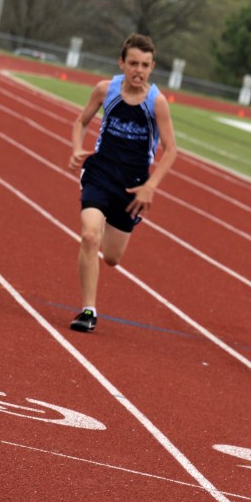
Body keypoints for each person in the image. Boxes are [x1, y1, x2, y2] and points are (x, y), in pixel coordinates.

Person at [67, 33, 177, 332]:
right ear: (121, 63)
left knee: (113, 257)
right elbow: (81, 121)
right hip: (100, 173)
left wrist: (150, 186)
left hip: (132, 187)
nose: (138, 70)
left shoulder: (157, 103)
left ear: (152, 67)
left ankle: (109, 231)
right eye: (133, 64)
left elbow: (171, 149)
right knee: (90, 236)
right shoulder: (106, 90)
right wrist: (77, 148)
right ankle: (88, 311)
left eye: (144, 65)